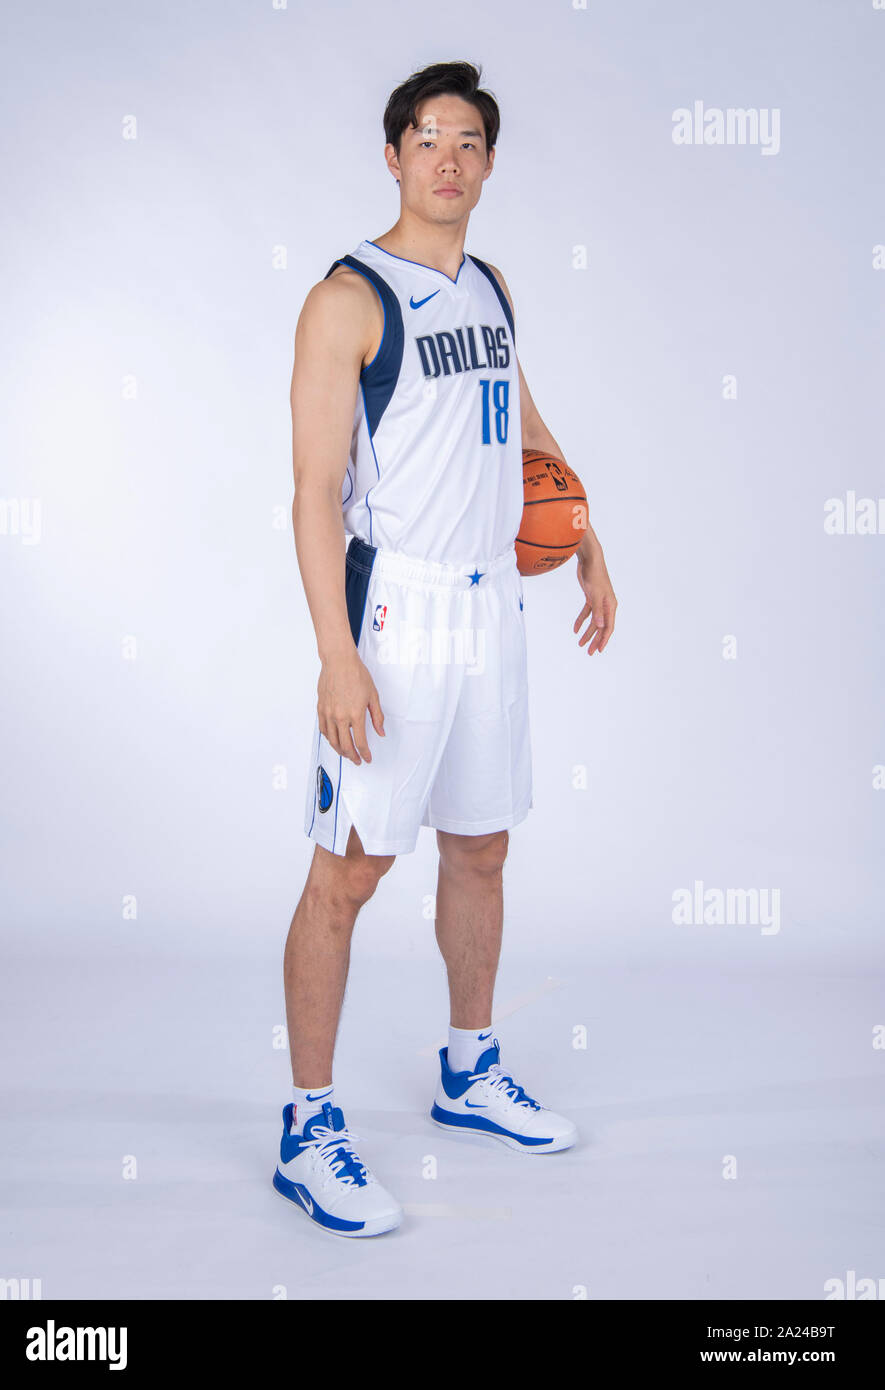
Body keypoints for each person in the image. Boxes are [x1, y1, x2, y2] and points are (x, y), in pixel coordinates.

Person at [273, 61, 618, 1237]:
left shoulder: (492, 287)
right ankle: (309, 1125)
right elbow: (314, 492)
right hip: (393, 617)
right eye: (429, 138)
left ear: (486, 163)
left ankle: (469, 1068)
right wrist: (335, 653)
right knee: (349, 870)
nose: (450, 158)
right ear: (393, 153)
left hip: (491, 615)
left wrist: (589, 538)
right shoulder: (347, 298)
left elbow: (520, 421)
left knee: (481, 850)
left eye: (470, 141)